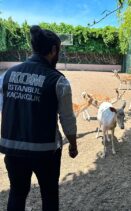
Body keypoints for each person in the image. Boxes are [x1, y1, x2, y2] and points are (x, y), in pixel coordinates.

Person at [0, 25, 78, 211]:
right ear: (53, 50)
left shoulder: (7, 75)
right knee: (49, 195)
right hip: (46, 153)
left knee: (17, 193)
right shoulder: (59, 80)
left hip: (13, 150)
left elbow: (5, 108)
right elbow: (67, 119)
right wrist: (73, 145)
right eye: (58, 50)